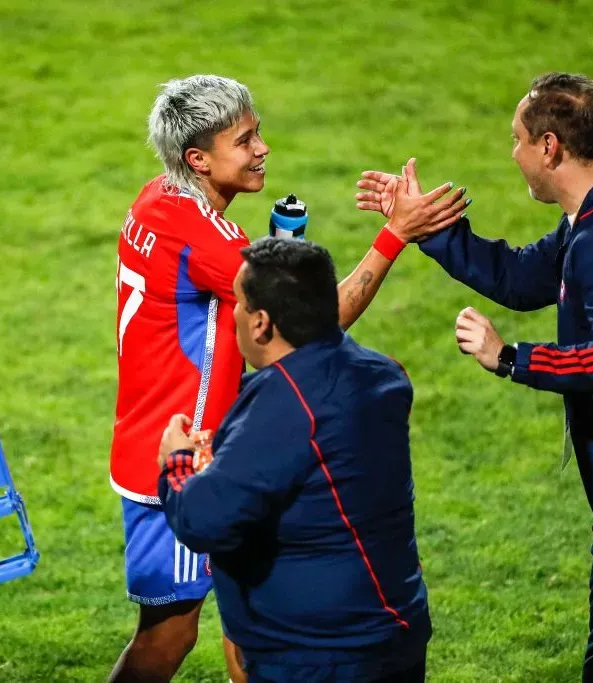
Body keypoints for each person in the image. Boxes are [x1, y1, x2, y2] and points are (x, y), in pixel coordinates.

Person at [109, 74, 465, 682]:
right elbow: (311, 326)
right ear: (197, 159)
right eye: (244, 140)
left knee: (248, 621)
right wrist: (395, 233)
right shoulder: (204, 232)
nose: (262, 148)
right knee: (168, 634)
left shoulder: (158, 201)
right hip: (178, 451)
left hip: (193, 434)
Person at [361, 72, 593, 681]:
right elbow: (523, 279)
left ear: (550, 148)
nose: (513, 154)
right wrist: (423, 227)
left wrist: (511, 358)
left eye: (518, 140)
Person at [156, 237, 430, 683]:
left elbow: (204, 519)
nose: (234, 316)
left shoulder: (287, 406)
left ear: (261, 324)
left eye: (240, 305)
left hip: (320, 656)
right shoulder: (382, 374)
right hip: (393, 631)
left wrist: (178, 463)